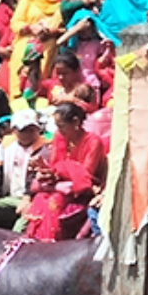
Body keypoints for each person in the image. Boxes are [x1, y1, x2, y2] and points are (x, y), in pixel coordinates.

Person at [22, 102, 105, 241]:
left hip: (81, 190)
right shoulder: (59, 137)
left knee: (53, 202)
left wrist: (60, 170)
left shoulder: (93, 142)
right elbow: (55, 166)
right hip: (60, 185)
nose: (59, 131)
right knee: (40, 198)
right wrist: (43, 167)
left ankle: (50, 245)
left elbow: (85, 174)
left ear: (76, 122)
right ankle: (34, 242)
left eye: (62, 127)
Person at [0, 109, 49, 232]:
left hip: (32, 200)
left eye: (32, 129)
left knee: (22, 223)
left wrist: (26, 199)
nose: (28, 133)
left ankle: (13, 247)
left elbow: (35, 178)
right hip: (10, 197)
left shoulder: (45, 148)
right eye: (24, 130)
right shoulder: (6, 145)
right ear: (14, 130)